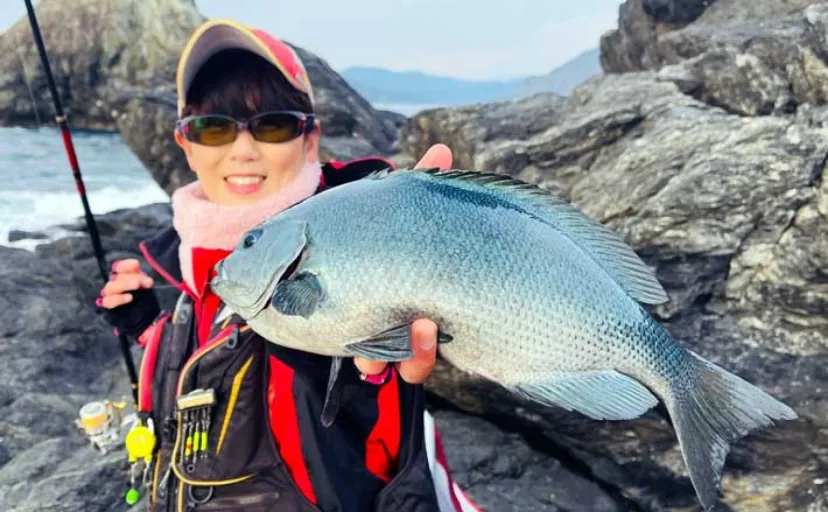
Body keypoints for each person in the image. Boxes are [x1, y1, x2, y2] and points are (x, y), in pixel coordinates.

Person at [98, 18, 481, 512]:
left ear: (311, 139)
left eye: (272, 125)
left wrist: (363, 379)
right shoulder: (185, 271)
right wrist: (151, 330)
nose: (243, 149)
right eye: (213, 128)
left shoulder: (355, 244)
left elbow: (369, 433)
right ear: (186, 146)